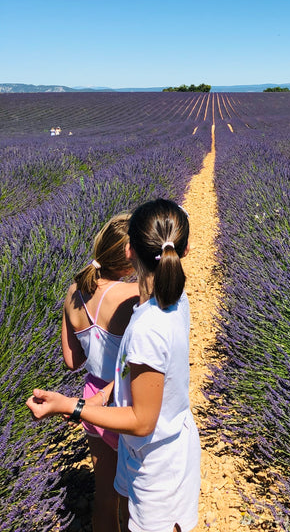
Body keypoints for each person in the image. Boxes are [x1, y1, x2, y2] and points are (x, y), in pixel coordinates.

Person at [27, 199, 201, 532]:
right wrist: (101, 396)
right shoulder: (173, 300)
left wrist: (71, 405)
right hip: (161, 449)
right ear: (185, 249)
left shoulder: (146, 329)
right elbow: (130, 373)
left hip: (156, 463)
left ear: (129, 252)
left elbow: (141, 420)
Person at [61, 212, 138, 532]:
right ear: (130, 258)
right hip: (127, 402)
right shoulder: (130, 297)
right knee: (137, 494)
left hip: (91, 400)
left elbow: (71, 360)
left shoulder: (74, 290)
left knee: (105, 492)